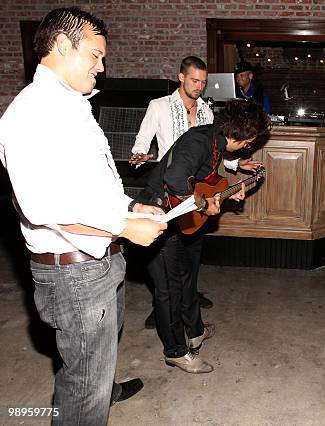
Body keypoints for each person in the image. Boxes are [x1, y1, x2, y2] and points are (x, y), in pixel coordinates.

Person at [0, 7, 167, 423]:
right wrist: (125, 226)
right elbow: (43, 206)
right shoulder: (33, 112)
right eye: (94, 55)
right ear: (61, 45)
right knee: (83, 383)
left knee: (91, 365)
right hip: (75, 273)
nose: (102, 66)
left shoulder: (71, 104)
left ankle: (100, 388)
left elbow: (86, 186)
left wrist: (129, 207)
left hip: (100, 260)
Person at [137, 98, 271, 373]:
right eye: (251, 139)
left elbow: (208, 178)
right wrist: (203, 203)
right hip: (162, 216)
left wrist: (231, 189)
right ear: (241, 135)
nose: (250, 145)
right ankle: (175, 351)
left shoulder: (215, 142)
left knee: (188, 277)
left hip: (187, 219)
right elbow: (175, 179)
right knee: (169, 289)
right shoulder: (199, 142)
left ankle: (194, 330)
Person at [130, 56, 262, 325]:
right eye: (194, 80)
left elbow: (215, 154)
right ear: (181, 77)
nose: (199, 86)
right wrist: (142, 155)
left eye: (204, 81)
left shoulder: (207, 111)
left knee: (191, 253)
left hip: (196, 192)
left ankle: (188, 299)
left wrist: (236, 164)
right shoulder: (159, 106)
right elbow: (143, 145)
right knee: (165, 263)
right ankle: (164, 309)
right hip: (169, 190)